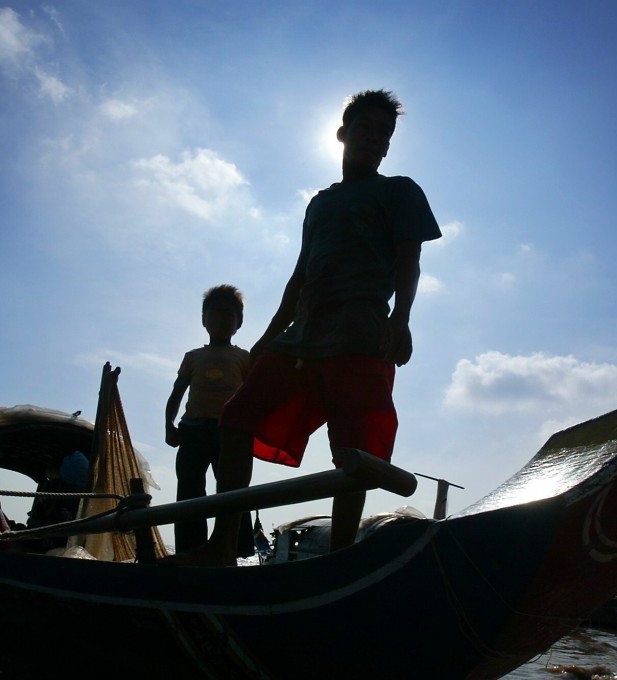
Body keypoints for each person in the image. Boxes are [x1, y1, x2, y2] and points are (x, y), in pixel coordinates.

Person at [173, 89, 441, 566]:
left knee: (354, 452)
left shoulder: (398, 190)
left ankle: (339, 557)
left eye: (386, 133)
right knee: (235, 419)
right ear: (342, 134)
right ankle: (222, 546)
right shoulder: (319, 203)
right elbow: (300, 275)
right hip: (301, 337)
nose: (377, 139)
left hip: (360, 334)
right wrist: (271, 332)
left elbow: (409, 259)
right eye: (367, 128)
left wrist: (401, 319)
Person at [165, 284, 255, 557]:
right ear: (204, 319)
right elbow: (177, 392)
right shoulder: (193, 357)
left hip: (229, 433)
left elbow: (253, 396)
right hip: (192, 431)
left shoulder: (244, 357)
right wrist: (168, 425)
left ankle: (234, 550)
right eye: (214, 314)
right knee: (189, 490)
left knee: (232, 491)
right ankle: (189, 551)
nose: (221, 320)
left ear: (239, 322)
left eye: (229, 315)